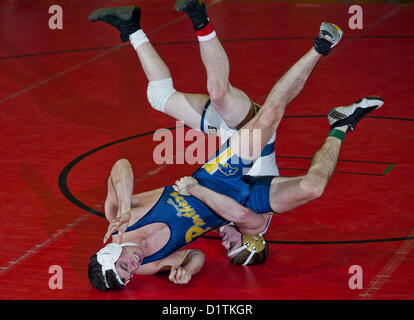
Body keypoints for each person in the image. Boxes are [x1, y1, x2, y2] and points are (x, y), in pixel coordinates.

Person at [86, 4, 384, 292]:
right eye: (233, 246)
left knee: (215, 96)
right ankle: (340, 121)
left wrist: (124, 207)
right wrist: (186, 269)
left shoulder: (119, 220)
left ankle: (194, 19)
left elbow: (121, 166)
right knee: (311, 184)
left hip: (221, 165)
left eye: (125, 268)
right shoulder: (254, 224)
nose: (134, 267)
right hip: (229, 168)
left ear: (111, 253)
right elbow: (225, 232)